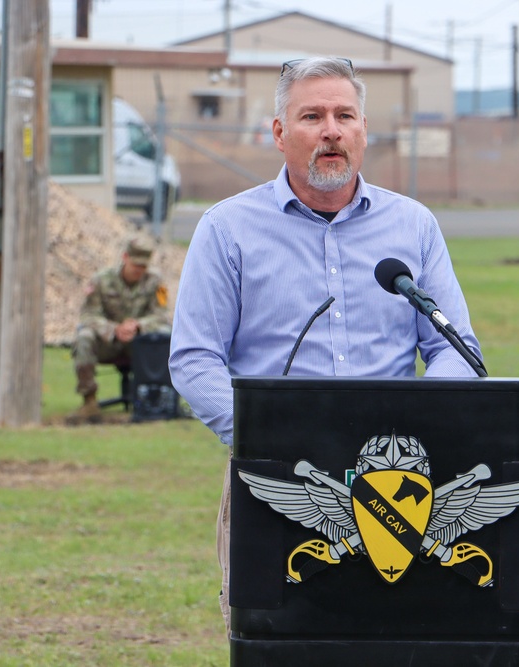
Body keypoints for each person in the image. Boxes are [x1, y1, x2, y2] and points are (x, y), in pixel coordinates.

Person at [168, 56, 484, 631]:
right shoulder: (227, 229)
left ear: (364, 131)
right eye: (312, 116)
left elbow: (452, 347)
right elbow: (195, 358)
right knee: (277, 642)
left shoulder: (413, 226)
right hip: (279, 480)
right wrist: (268, 439)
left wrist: (424, 431)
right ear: (280, 134)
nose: (331, 130)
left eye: (345, 115)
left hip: (398, 489)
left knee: (398, 637)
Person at [69, 233, 171, 424]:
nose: (139, 270)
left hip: (140, 345)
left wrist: (138, 326)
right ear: (125, 258)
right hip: (108, 342)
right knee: (84, 336)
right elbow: (88, 315)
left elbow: (163, 315)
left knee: (166, 335)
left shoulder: (156, 282)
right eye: (135, 265)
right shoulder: (101, 280)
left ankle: (157, 401)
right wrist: (114, 329)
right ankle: (89, 401)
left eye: (143, 266)